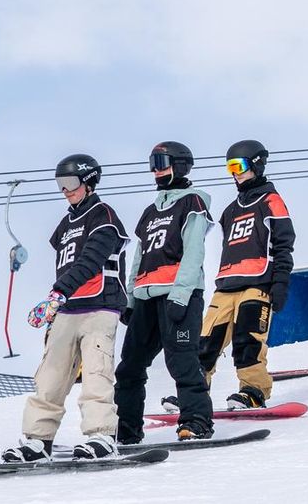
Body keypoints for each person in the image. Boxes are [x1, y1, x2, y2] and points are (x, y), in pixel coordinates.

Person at [3, 155, 130, 462]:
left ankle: (101, 436)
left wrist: (57, 294)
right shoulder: (65, 225)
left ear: (89, 181)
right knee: (50, 377)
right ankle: (38, 440)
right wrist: (57, 302)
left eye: (71, 182)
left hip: (100, 307)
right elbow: (66, 264)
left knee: (96, 373)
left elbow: (90, 261)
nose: (65, 190)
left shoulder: (103, 216)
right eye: (60, 184)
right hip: (68, 309)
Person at [114, 142, 214, 444]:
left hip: (178, 295)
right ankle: (126, 430)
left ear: (180, 165)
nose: (156, 171)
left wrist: (180, 296)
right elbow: (139, 257)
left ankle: (196, 421)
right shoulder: (150, 212)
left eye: (162, 163)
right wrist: (130, 298)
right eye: (153, 165)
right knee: (129, 367)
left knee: (182, 360)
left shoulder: (193, 203)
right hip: (146, 296)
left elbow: (194, 252)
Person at [198, 140, 295, 410]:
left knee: (247, 339)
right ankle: (194, 392)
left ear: (256, 165)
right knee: (205, 342)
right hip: (226, 284)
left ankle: (253, 391)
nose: (235, 173)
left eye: (239, 166)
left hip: (258, 283)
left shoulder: (271, 201)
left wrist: (280, 282)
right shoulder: (230, 210)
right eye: (230, 168)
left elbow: (284, 243)